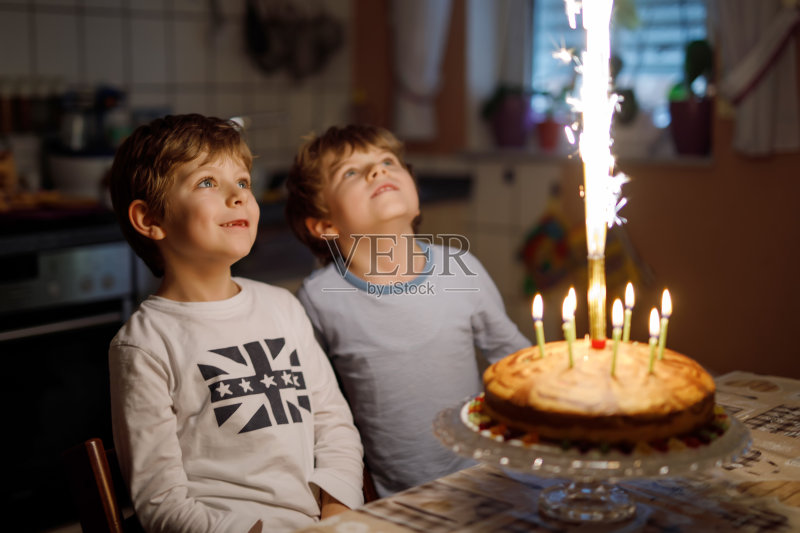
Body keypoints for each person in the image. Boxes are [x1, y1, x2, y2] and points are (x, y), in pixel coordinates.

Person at [107, 114, 364, 533]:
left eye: (243, 182)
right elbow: (161, 502)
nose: (238, 196)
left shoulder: (282, 307)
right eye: (207, 182)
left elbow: (334, 424)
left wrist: (336, 510)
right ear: (149, 219)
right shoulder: (145, 344)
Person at [285, 124, 531, 497]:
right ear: (326, 225)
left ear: (414, 194)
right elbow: (318, 408)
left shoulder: (462, 269)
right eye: (351, 172)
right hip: (394, 498)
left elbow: (516, 362)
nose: (378, 171)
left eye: (388, 161)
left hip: (487, 479)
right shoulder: (319, 299)